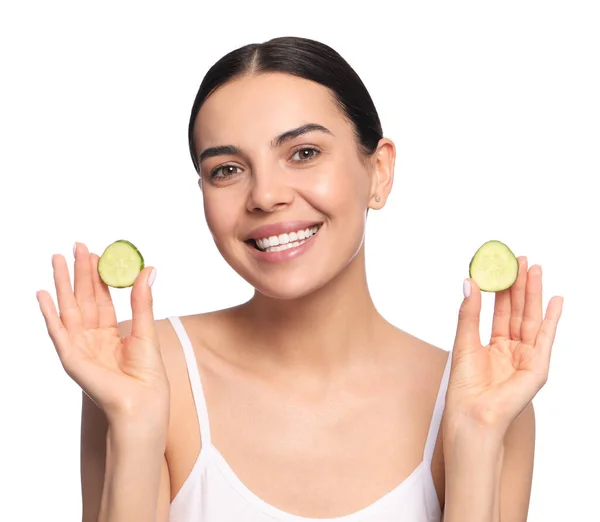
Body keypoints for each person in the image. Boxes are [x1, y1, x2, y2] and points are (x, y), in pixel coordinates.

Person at [37, 36, 563, 522]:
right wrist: (133, 423)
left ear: (378, 172)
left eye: (304, 153)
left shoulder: (484, 398)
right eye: (226, 169)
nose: (265, 195)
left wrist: (475, 437)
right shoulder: (144, 371)